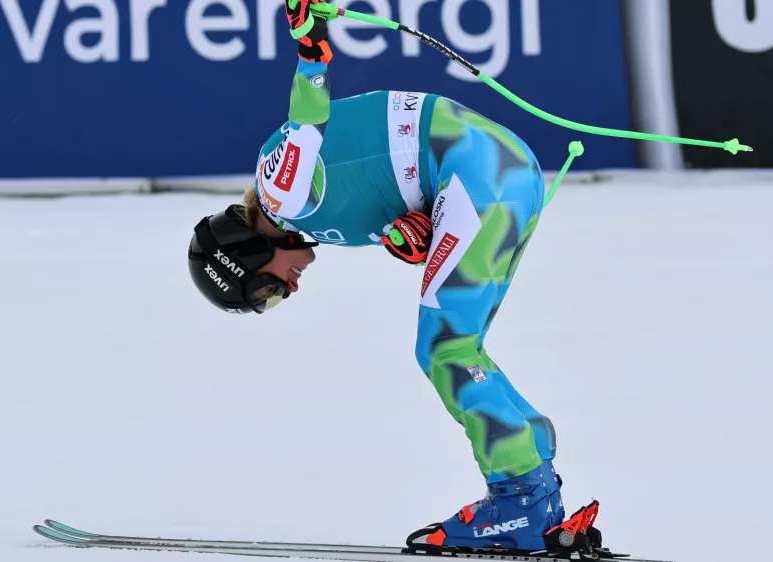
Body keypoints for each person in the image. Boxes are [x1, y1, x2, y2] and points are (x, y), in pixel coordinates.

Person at [187, 0, 584, 552]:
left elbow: (307, 125)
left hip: (480, 174)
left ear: (246, 251)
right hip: (496, 171)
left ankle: (520, 499)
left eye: (266, 288)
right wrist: (415, 226)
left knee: (446, 348)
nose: (287, 290)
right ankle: (537, 490)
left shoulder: (281, 193)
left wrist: (311, 52)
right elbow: (386, 169)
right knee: (460, 346)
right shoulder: (312, 220)